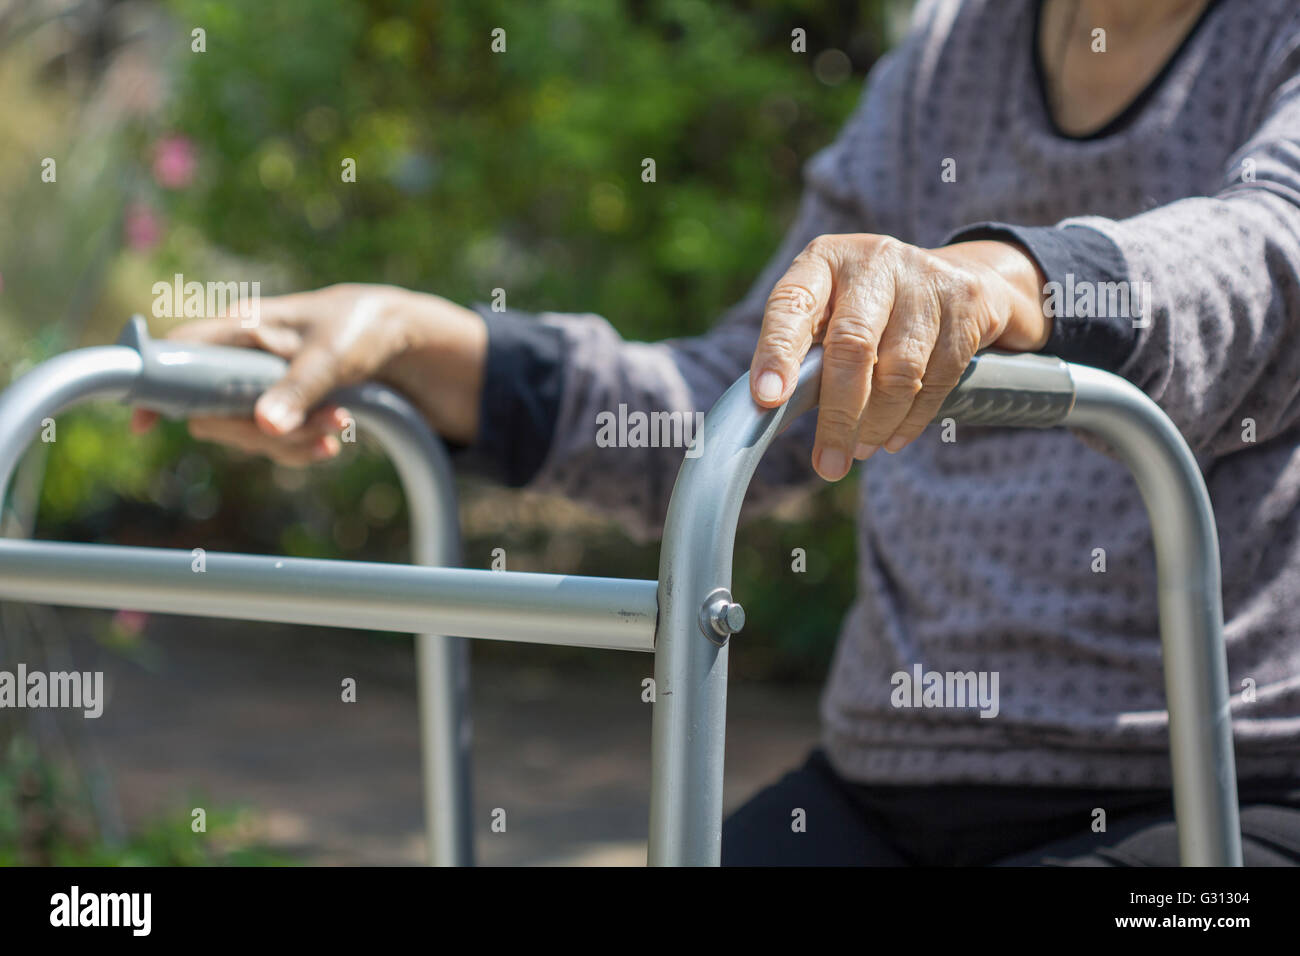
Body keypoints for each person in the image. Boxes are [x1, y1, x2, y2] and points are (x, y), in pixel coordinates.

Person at [133, 0, 1300, 864]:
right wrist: (417, 342)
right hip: (891, 786)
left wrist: (1008, 281)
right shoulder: (949, 56)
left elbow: (1264, 263)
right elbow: (742, 398)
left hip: (1207, 788)